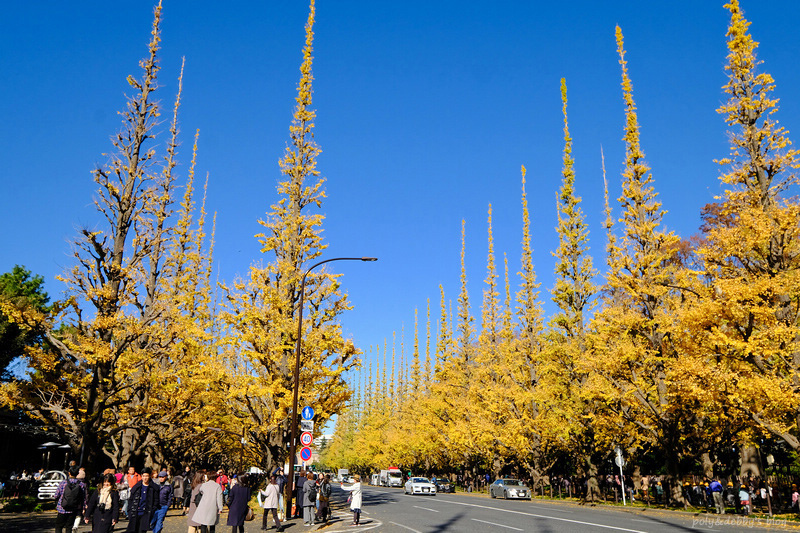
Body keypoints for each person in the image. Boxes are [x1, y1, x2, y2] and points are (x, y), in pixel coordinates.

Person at [54, 466, 88, 533]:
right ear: (77, 473)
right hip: (74, 508)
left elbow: (56, 495)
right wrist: (83, 507)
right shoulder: (81, 484)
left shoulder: (63, 483)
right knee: (69, 527)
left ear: (69, 473)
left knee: (59, 526)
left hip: (62, 508)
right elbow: (83, 497)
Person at [126, 467, 160, 532]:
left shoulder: (154, 488)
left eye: (147, 476)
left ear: (150, 476)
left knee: (142, 531)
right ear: (141, 476)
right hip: (135, 513)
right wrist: (130, 511)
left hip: (146, 514)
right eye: (143, 476)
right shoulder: (136, 487)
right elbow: (131, 500)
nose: (145, 478)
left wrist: (152, 510)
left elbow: (156, 501)